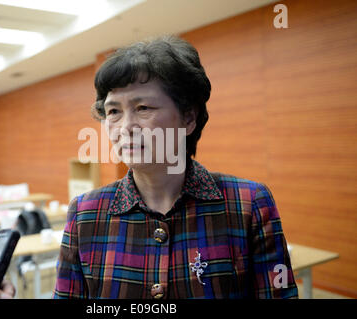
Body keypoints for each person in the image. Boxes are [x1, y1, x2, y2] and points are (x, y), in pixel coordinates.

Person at [53, 35, 298, 299]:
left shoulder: (249, 204)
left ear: (188, 118)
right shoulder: (85, 214)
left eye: (143, 107)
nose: (125, 128)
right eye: (113, 112)